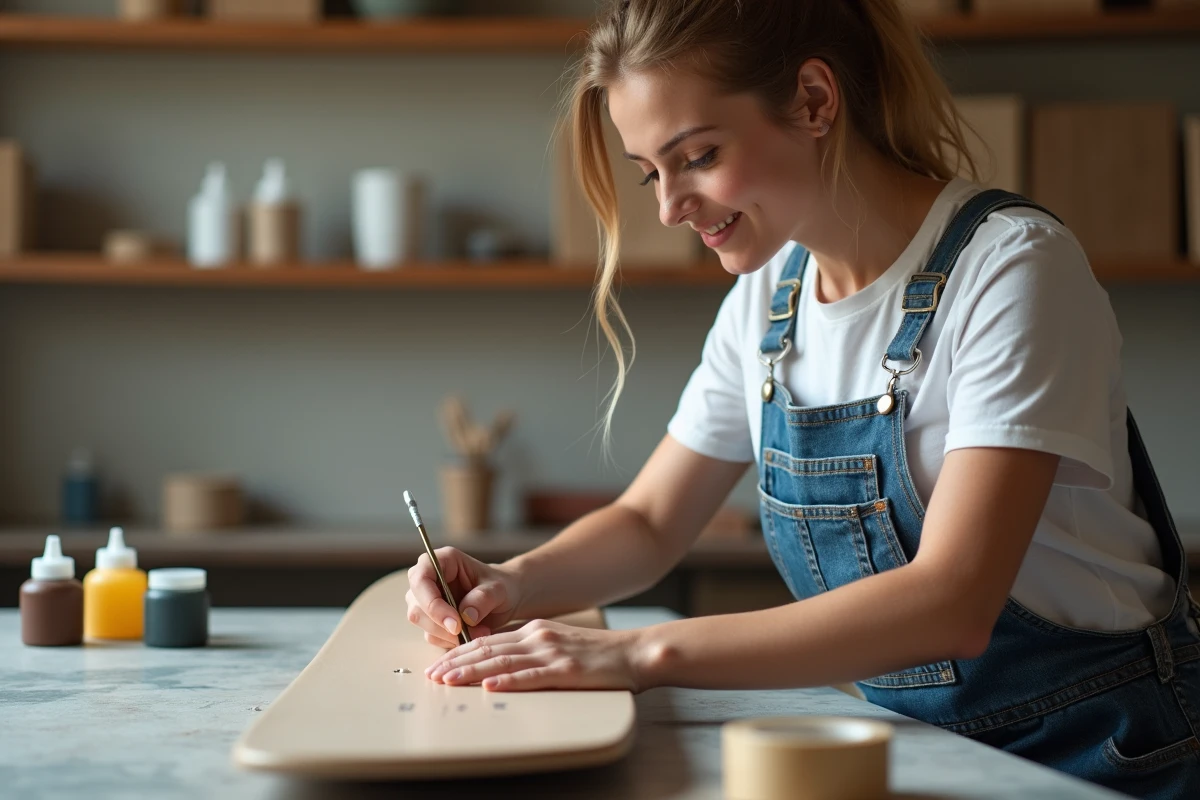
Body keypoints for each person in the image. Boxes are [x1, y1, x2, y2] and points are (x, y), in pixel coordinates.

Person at [406, 1, 1200, 795]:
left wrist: (637, 655)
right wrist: (511, 582)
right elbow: (650, 523)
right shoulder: (768, 302)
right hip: (919, 749)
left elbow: (952, 601)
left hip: (1103, 754)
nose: (668, 206)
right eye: (651, 171)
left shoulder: (1013, 270)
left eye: (699, 156)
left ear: (816, 101)